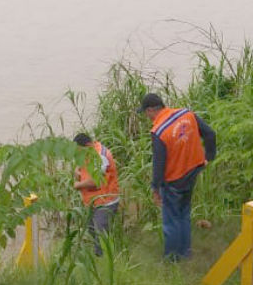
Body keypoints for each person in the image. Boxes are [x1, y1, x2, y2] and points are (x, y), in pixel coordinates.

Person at [137, 93, 216, 260]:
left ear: (151, 110)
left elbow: (159, 164)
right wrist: (208, 157)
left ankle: (172, 259)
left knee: (171, 221)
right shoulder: (187, 114)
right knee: (183, 214)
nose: (147, 117)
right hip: (193, 171)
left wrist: (155, 188)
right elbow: (210, 134)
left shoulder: (158, 131)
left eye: (146, 113)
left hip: (174, 180)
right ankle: (185, 253)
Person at [72, 133, 120, 256]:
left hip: (105, 202)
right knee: (92, 231)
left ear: (87, 145)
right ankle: (99, 258)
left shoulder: (101, 156)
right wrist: (77, 169)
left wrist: (78, 185)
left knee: (100, 234)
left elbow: (94, 181)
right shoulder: (88, 152)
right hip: (93, 201)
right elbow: (81, 165)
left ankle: (104, 261)